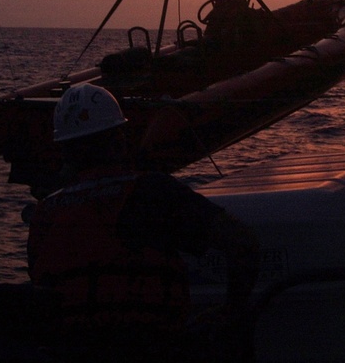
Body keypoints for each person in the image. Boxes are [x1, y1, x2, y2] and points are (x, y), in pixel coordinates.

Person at [27, 83, 260, 362]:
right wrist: (231, 312)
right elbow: (243, 244)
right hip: (153, 348)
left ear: (64, 151)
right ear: (120, 139)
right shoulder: (152, 192)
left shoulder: (44, 214)